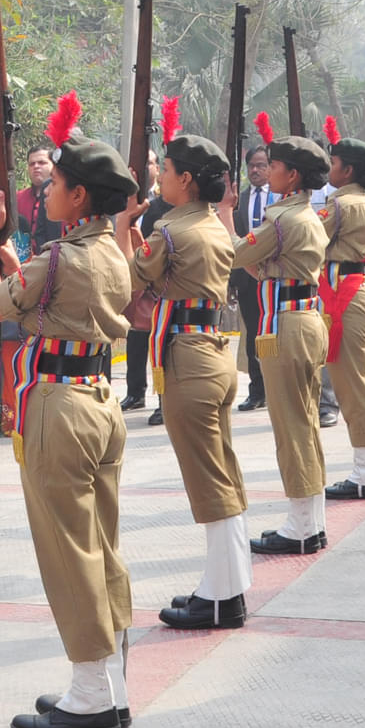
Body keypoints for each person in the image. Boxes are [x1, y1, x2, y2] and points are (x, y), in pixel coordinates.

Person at [0, 92, 137, 728]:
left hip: (60, 408)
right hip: (101, 400)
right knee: (99, 544)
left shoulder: (64, 257)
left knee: (67, 550)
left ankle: (91, 692)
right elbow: (48, 300)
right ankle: (109, 682)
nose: (47, 193)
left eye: (59, 185)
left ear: (79, 198)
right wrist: (20, 263)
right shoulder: (108, 255)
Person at [116, 108, 251, 633]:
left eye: (165, 169)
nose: (158, 176)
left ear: (186, 180)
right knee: (223, 474)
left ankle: (220, 598)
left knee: (208, 479)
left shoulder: (171, 230)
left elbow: (128, 281)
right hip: (213, 349)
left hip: (189, 357)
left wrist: (126, 225)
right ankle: (227, 587)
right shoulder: (212, 225)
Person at [234, 116, 331, 556]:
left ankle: (301, 526)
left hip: (286, 325)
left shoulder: (280, 218)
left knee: (291, 425)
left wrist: (219, 215)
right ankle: (311, 517)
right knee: (304, 420)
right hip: (305, 318)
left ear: (291, 175)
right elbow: (261, 265)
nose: (266, 171)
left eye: (272, 166)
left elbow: (236, 255)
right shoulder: (303, 215)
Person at [317, 120, 365, 501]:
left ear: (345, 170)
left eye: (333, 163)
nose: (329, 170)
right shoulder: (359, 201)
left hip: (345, 294)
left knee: (352, 384)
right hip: (352, 289)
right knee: (360, 382)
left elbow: (311, 240)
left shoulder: (342, 204)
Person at [116, 150, 167, 418]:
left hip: (158, 279)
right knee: (135, 339)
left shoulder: (163, 203)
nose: (146, 168)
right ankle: (135, 392)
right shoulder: (125, 202)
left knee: (161, 343)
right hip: (134, 276)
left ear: (158, 169)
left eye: (150, 163)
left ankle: (163, 399)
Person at [231, 145, 276, 412]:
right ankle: (256, 390)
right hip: (248, 278)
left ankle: (275, 387)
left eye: (261, 165)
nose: (256, 170)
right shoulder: (240, 199)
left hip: (276, 275)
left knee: (274, 332)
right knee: (252, 335)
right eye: (252, 166)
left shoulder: (281, 198)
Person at [15, 145, 64, 249]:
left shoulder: (64, 199)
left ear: (54, 166)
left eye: (42, 163)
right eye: (32, 164)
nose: (36, 166)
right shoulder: (17, 198)